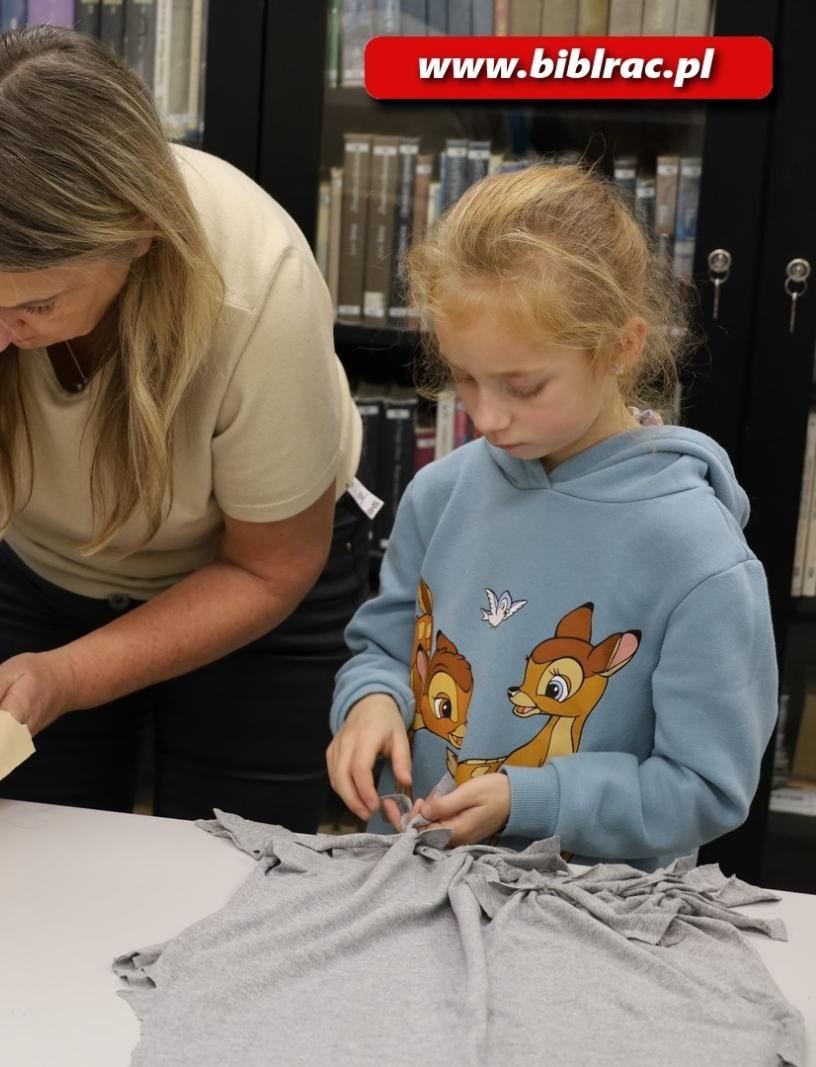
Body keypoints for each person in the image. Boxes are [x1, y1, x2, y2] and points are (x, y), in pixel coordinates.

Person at [0, 26, 366, 828]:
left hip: (256, 586)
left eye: (32, 304)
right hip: (45, 563)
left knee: (232, 874)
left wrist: (71, 677)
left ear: (138, 232)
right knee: (28, 857)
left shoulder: (260, 291)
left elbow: (268, 569)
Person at [326, 163, 776, 869]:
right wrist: (369, 704)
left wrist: (531, 798)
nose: (487, 415)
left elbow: (706, 786)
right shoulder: (440, 493)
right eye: (465, 377)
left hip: (588, 920)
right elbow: (384, 651)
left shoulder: (697, 554)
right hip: (412, 884)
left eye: (524, 385)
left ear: (622, 346)